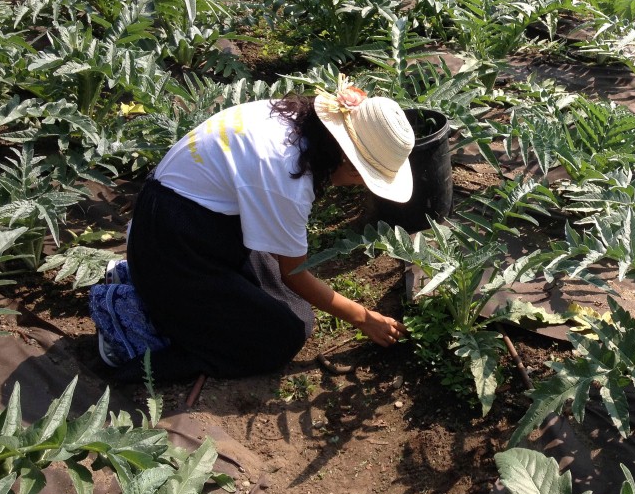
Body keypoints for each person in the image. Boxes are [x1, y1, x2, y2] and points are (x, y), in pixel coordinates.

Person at [97, 76, 413, 383]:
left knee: (294, 310)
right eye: (363, 177)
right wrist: (364, 317)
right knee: (280, 337)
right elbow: (295, 273)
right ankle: (130, 321)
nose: (358, 186)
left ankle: (150, 278)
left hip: (189, 218)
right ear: (346, 159)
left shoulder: (294, 121)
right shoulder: (287, 176)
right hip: (173, 237)